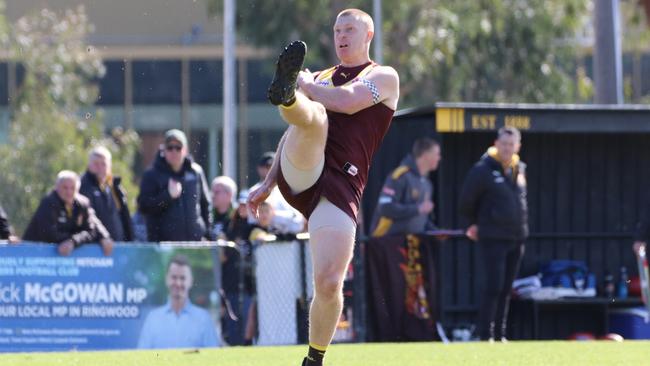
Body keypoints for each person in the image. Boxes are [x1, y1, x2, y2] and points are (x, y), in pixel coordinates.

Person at [248, 8, 399, 366]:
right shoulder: (320, 77)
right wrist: (268, 183)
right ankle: (285, 98)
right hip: (302, 170)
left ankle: (314, 359)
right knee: (313, 120)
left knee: (329, 282)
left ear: (368, 36)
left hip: (341, 186)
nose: (341, 36)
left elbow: (347, 103)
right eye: (336, 30)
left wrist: (305, 85)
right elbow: (291, 134)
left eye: (349, 29)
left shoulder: (383, 76)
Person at [458, 126, 528, 342]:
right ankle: (485, 334)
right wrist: (472, 224)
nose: (507, 148)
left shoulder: (519, 168)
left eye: (511, 144)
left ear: (518, 146)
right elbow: (465, 202)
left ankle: (500, 334)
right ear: (496, 144)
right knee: (493, 286)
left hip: (516, 238)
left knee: (507, 288)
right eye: (504, 144)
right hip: (492, 237)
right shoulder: (482, 169)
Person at [137, 129, 211, 242]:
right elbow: (144, 207)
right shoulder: (151, 174)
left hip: (195, 244)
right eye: (170, 148)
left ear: (185, 150)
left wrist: (207, 234)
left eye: (178, 148)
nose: (174, 152)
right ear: (164, 150)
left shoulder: (196, 172)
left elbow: (205, 205)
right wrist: (168, 196)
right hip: (164, 248)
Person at [23, 170, 113, 256]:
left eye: (72, 188)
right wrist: (72, 240)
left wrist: (73, 241)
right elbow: (49, 233)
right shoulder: (48, 202)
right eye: (65, 188)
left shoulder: (83, 204)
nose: (69, 192)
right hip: (37, 255)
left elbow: (91, 230)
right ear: (56, 187)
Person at [137, 254, 219, 348]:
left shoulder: (204, 319)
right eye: (174, 277)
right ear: (166, 279)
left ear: (191, 281)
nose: (178, 283)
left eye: (183, 278)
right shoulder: (153, 319)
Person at [370, 137, 441, 237]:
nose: (439, 158)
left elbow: (420, 219)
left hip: (413, 244)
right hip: (389, 242)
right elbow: (385, 207)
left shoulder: (427, 184)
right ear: (426, 155)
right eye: (437, 154)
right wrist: (417, 209)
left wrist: (436, 232)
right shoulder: (400, 176)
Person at [79, 146, 134, 241]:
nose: (100, 168)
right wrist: (102, 238)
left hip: (119, 247)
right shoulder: (82, 186)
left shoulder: (115, 187)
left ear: (109, 166)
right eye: (96, 164)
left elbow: (123, 217)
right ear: (89, 165)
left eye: (103, 164)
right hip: (94, 248)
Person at [248, 152, 305, 234]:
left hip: (288, 242)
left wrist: (274, 215)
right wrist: (284, 218)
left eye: (274, 167)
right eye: (268, 167)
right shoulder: (254, 191)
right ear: (259, 169)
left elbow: (298, 223)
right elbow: (253, 220)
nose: (272, 170)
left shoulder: (287, 190)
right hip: (263, 243)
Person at [211, 176, 237, 240]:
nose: (213, 195)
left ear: (229, 195)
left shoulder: (238, 216)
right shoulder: (208, 215)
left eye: (217, 192)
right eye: (212, 192)